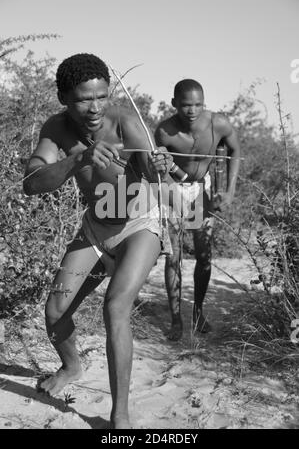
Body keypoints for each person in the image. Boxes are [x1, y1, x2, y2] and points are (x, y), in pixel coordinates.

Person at [23, 53, 172, 429]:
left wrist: (159, 166)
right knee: (56, 312)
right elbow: (31, 183)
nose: (94, 107)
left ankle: (119, 415)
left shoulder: (123, 119)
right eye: (83, 99)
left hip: (139, 224)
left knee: (115, 306)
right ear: (63, 98)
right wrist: (78, 160)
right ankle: (72, 367)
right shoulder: (55, 129)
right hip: (95, 229)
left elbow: (155, 170)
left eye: (101, 96)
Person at [154, 79, 240, 341]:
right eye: (186, 105)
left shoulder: (218, 123)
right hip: (173, 188)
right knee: (174, 256)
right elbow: (158, 167)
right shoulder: (165, 131)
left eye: (198, 105)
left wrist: (230, 190)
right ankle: (176, 319)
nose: (192, 110)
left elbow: (235, 149)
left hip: (203, 187)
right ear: (174, 104)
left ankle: (198, 311)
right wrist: (171, 195)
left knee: (204, 256)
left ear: (204, 103)